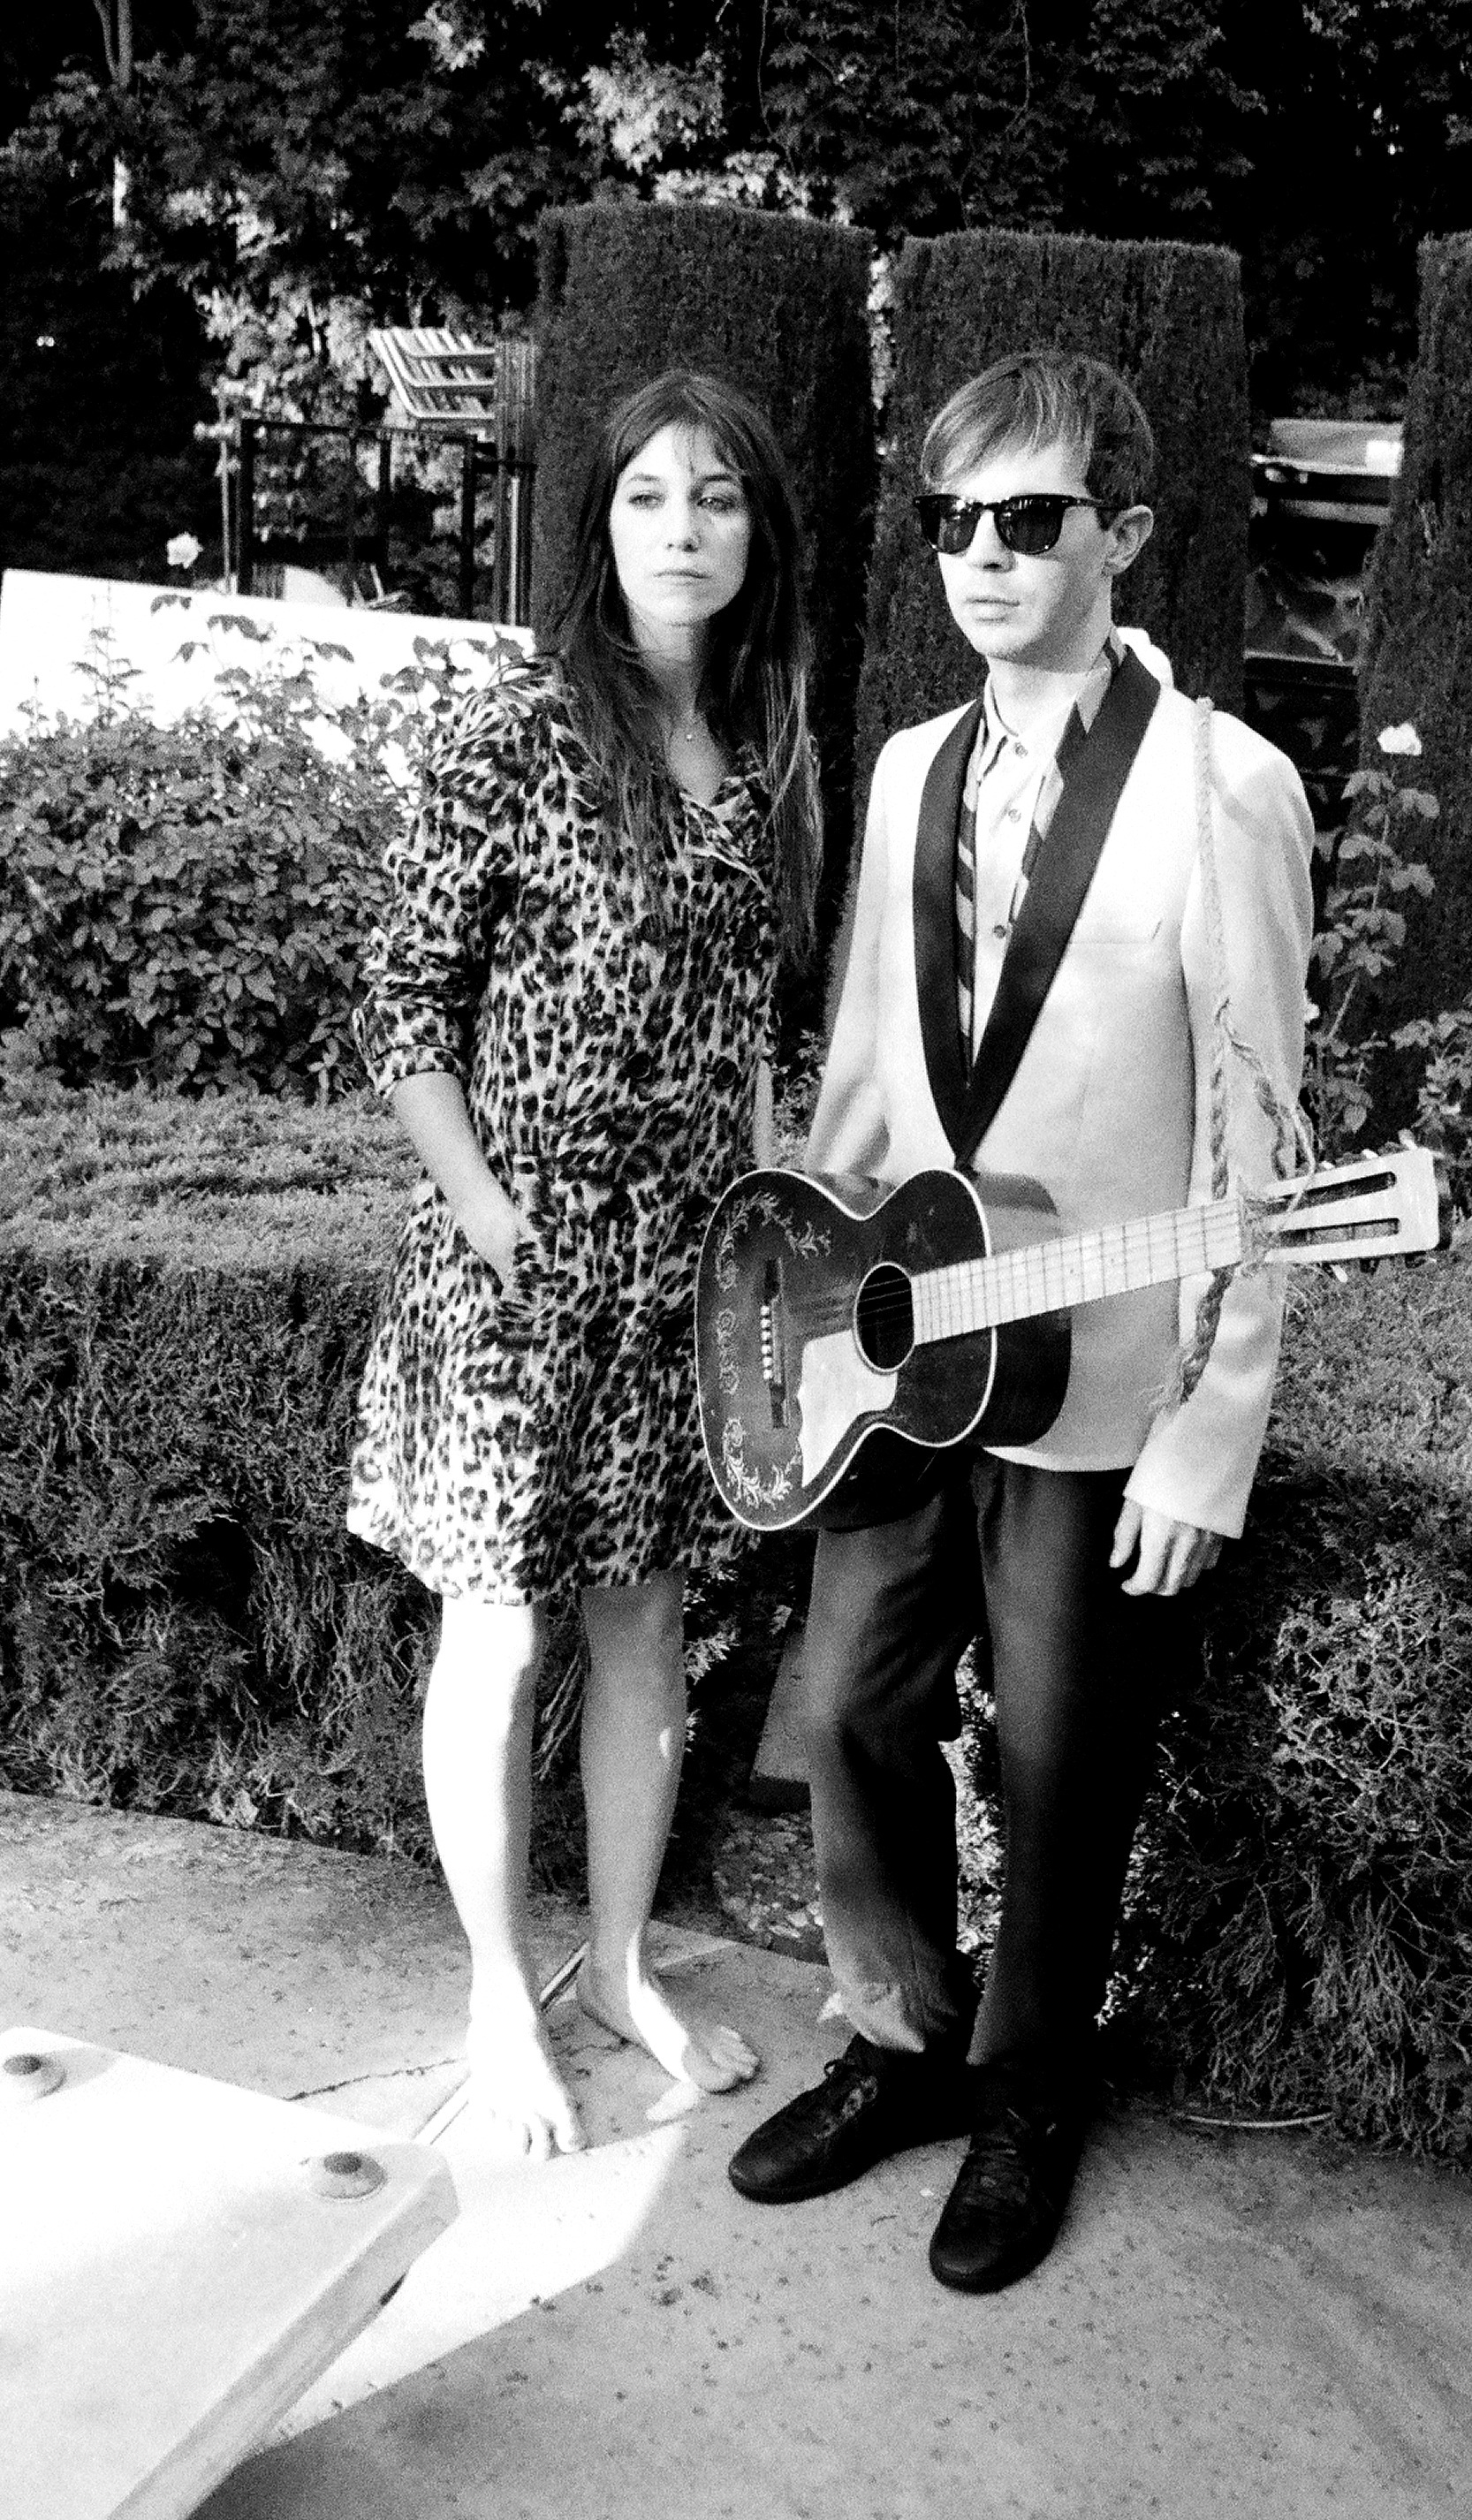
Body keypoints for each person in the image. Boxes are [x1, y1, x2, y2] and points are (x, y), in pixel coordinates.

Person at [727, 350, 1314, 2288]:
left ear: (1121, 534)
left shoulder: (1224, 787)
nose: (980, 554)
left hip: (1101, 1376)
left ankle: (1027, 2088)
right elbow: (862, 1072)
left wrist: (1212, 1426)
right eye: (949, 520)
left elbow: (1256, 1127)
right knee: (849, 1709)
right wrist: (806, 1310)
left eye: (1027, 518)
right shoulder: (907, 766)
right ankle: (897, 2036)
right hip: (895, 1352)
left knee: (1063, 1761)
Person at [349, 369, 821, 2158]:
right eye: (648, 496)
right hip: (516, 1275)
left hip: (685, 1283)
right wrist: (490, 1214)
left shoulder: (768, 754)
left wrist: (767, 1223)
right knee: (496, 1631)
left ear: (757, 531)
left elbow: (758, 1025)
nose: (683, 529)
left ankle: (618, 1965)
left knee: (646, 1629)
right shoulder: (518, 733)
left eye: (718, 497)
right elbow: (405, 1002)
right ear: (599, 522)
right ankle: (498, 1992)